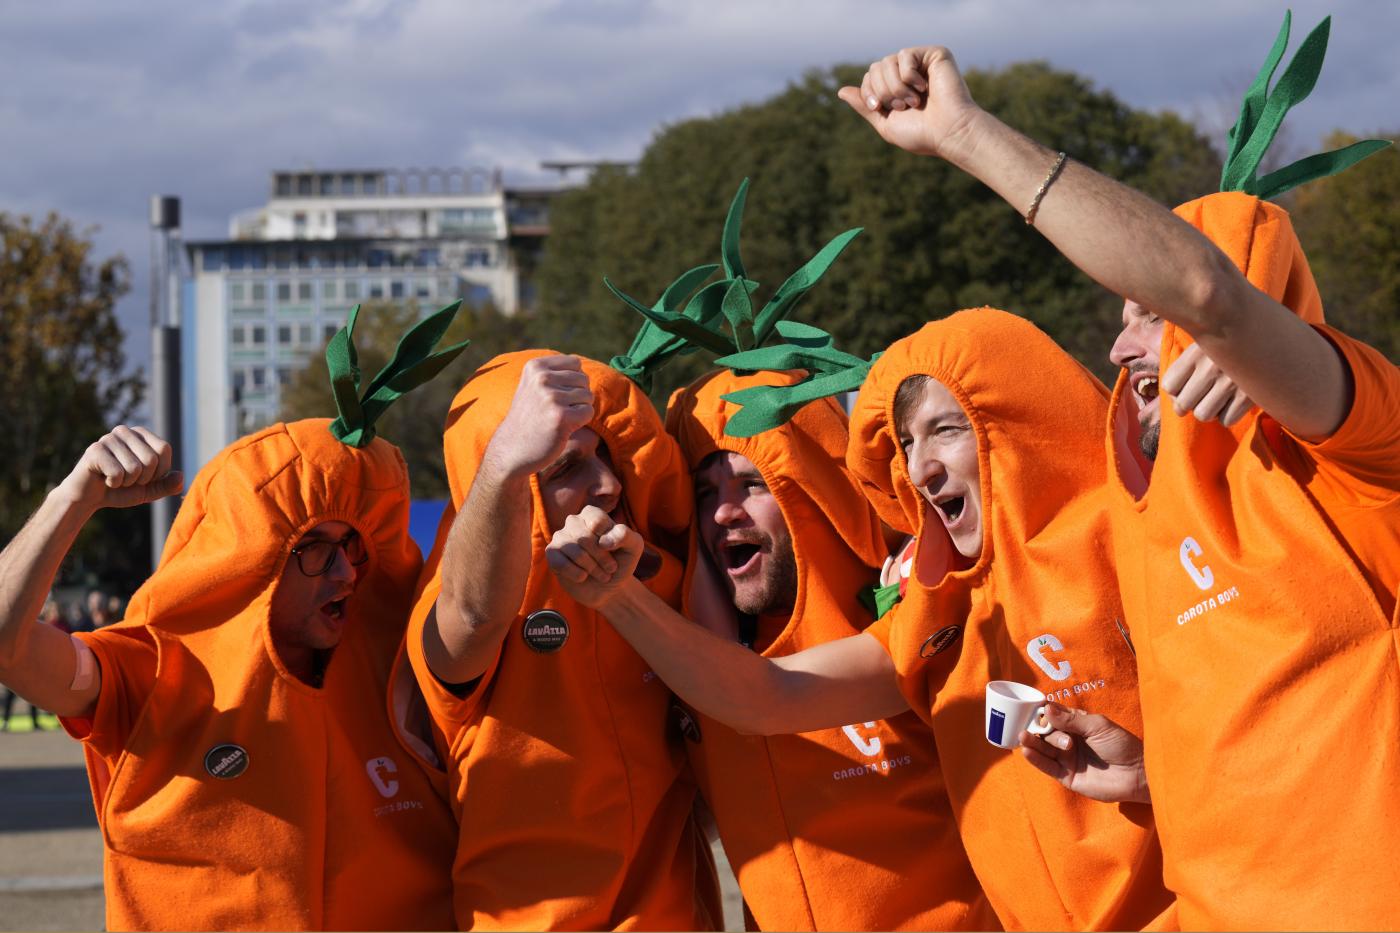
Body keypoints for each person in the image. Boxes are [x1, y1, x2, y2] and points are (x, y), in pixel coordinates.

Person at [845, 19, 1399, 928]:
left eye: (1145, 312)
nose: (1119, 342)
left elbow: (1210, 295)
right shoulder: (1150, 511)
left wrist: (963, 135)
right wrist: (1151, 773)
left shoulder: (1355, 443)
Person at [548, 310, 1175, 930]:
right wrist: (618, 597)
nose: (920, 469)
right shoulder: (932, 615)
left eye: (948, 429)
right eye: (906, 442)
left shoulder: (1141, 551)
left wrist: (1154, 778)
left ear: (1026, 418)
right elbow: (767, 697)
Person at [0, 309, 462, 931]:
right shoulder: (152, 671)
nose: (346, 573)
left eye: (353, 546)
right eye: (315, 548)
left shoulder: (405, 670)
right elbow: (7, 642)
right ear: (252, 562)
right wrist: (72, 498)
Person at [658, 366, 995, 932]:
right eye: (705, 492)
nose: (724, 513)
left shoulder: (913, 613)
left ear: (814, 490)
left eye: (752, 484)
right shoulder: (695, 663)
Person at [406, 349, 717, 932]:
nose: (605, 484)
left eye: (606, 456)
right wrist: (503, 462)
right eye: (563, 469)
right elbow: (469, 621)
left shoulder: (665, 572)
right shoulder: (458, 597)